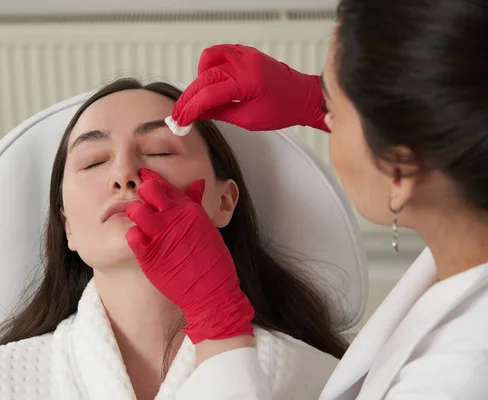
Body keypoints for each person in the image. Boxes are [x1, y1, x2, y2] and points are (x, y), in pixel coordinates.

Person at [0, 78, 348, 400]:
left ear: (224, 202)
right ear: (67, 226)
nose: (125, 174)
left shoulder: (322, 383)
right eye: (94, 161)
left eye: (160, 152)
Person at [164, 1, 488, 399]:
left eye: (332, 109)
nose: (125, 178)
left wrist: (218, 323)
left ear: (401, 172)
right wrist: (312, 98)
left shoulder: (458, 375)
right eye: (93, 160)